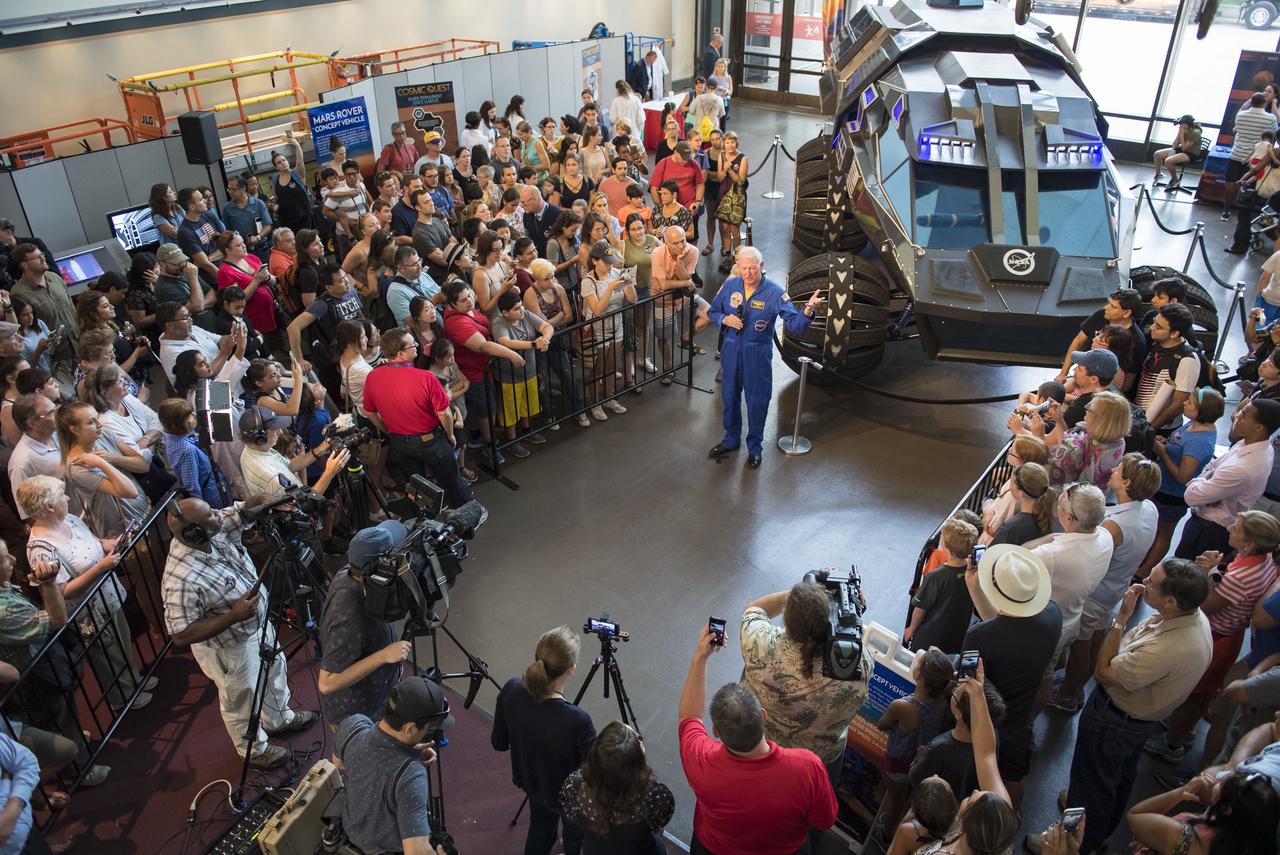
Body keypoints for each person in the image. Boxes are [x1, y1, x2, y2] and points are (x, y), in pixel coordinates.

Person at [1033, 560, 1212, 855]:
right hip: (1137, 720)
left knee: (1092, 780)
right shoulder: (1190, 617)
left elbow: (1104, 672)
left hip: (1116, 720)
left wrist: (1121, 619)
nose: (1142, 583)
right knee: (1116, 777)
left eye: (1151, 582)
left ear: (1170, 602)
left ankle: (1076, 842)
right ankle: (1095, 818)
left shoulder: (1165, 650)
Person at [163, 495, 318, 767]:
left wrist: (274, 500)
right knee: (242, 698)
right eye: (209, 515)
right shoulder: (180, 578)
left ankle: (280, 719)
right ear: (194, 531)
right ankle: (253, 750)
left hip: (256, 627)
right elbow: (180, 635)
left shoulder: (212, 528)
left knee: (275, 669)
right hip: (228, 647)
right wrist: (232, 616)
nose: (217, 514)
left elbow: (245, 510)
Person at [678, 622, 838, 855]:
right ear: (762, 717)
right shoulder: (807, 767)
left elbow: (689, 716)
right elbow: (824, 820)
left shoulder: (701, 759)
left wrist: (700, 657)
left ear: (716, 731)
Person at [1146, 510, 1280, 765]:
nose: (1229, 528)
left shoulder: (1241, 577)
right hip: (1230, 635)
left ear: (1249, 543)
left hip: (1216, 635)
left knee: (1193, 695)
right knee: (1203, 693)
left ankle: (1172, 743)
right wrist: (1216, 570)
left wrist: (1206, 574)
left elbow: (1205, 604)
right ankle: (1184, 730)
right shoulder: (1263, 561)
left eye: (1237, 528)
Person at [19, 474, 153, 714]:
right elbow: (62, 592)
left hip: (107, 595)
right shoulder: (40, 549)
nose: (67, 497)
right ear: (49, 506)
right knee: (108, 656)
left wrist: (108, 543)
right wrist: (100, 568)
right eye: (62, 495)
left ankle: (134, 678)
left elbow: (91, 540)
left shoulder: (68, 519)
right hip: (88, 612)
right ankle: (123, 697)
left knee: (122, 640)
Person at [1052, 454, 1162, 714]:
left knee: (1081, 643)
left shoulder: (1114, 526)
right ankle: (1076, 683)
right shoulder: (1149, 509)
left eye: (1119, 470)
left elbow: (1087, 554)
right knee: (1095, 634)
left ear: (1126, 482)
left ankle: (1068, 693)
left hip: (1096, 591)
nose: (1112, 470)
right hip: (1116, 585)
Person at [739, 579, 873, 784]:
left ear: (788, 618)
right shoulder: (857, 663)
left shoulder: (759, 644)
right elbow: (854, 640)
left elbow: (754, 608)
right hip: (816, 762)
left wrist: (798, 597)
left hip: (761, 746)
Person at [964, 543, 1063, 808]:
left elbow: (969, 678)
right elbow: (1009, 630)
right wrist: (976, 591)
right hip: (1022, 716)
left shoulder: (979, 636)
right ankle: (1013, 818)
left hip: (990, 716)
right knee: (1013, 777)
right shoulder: (1053, 613)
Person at [708, 247, 822, 468]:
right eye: (744, 268)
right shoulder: (731, 285)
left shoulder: (775, 292)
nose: (748, 273)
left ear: (761, 266)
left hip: (757, 357)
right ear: (737, 266)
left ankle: (755, 448)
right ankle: (731, 440)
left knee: (757, 402)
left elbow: (796, 325)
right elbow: (712, 311)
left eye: (752, 268)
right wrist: (724, 319)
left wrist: (808, 309)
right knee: (729, 399)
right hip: (731, 354)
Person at [493, 626, 596, 855]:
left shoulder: (512, 689)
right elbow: (596, 772)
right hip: (571, 797)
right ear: (571, 669)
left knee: (540, 830)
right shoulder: (577, 720)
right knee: (575, 837)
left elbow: (499, 743)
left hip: (533, 783)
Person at [334, 674, 452, 855]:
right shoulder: (411, 776)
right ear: (410, 728)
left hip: (350, 829)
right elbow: (416, 852)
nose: (431, 733)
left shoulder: (352, 726)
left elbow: (340, 764)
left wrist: (410, 750)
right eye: (429, 729)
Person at [361, 328, 472, 509]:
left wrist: (387, 429)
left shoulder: (373, 377)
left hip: (399, 442)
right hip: (430, 440)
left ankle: (427, 523)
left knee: (417, 488)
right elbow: (444, 413)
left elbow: (370, 412)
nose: (416, 346)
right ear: (401, 353)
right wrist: (450, 434)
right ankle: (467, 516)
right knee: (452, 479)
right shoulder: (426, 377)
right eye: (412, 344)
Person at [318, 521, 412, 728]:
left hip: (376, 692)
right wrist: (384, 655)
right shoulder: (349, 614)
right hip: (357, 712)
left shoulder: (351, 570)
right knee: (354, 758)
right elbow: (327, 682)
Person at [1176, 399, 1280, 559]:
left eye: (1243, 415)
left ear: (1259, 427)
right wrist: (1210, 476)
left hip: (1210, 531)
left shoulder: (1244, 467)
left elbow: (1191, 496)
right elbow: (1212, 464)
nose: (1236, 416)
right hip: (1210, 522)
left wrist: (1202, 479)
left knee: (1181, 577)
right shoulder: (1250, 444)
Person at [1141, 388, 1224, 578]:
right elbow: (1178, 445)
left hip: (1173, 494)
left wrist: (1163, 453)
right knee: (1154, 527)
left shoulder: (1200, 441)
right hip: (1162, 487)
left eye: (1191, 402)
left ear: (1202, 410)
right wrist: (1167, 444)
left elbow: (1183, 476)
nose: (1185, 403)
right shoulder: (1192, 425)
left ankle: (1145, 571)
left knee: (1163, 531)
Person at [559, 720, 675, 855]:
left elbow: (570, 814)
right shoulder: (655, 796)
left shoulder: (574, 785)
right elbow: (658, 825)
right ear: (638, 765)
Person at [1033, 483, 1114, 667]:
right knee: (1057, 657)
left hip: (1049, 625)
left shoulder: (1052, 555)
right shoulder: (1105, 535)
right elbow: (1059, 539)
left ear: (1069, 519)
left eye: (1059, 506)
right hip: (1074, 615)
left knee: (1044, 672)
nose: (1057, 508)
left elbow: (1022, 559)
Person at [876, 648, 954, 837]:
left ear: (917, 675)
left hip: (898, 761)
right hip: (921, 760)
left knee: (896, 800)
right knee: (909, 792)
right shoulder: (943, 701)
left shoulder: (901, 706)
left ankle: (886, 834)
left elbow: (881, 725)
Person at [1128, 769, 1279, 855]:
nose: (1218, 779)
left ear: (1226, 809)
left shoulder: (1184, 838)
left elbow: (1135, 815)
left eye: (1222, 784)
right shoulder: (1248, 845)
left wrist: (1180, 793)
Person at [57, 399, 149, 538]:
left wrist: (113, 458)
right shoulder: (76, 466)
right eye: (91, 422)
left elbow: (143, 465)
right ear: (74, 429)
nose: (100, 424)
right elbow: (130, 492)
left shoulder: (104, 434)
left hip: (144, 509)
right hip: (125, 529)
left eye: (97, 418)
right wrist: (103, 464)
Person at [287, 264, 365, 403]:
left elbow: (360, 317)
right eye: (341, 280)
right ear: (329, 287)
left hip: (361, 350)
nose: (347, 281)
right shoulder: (322, 305)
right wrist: (299, 359)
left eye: (346, 277)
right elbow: (293, 328)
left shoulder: (351, 291)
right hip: (339, 362)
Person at [238, 406, 347, 501]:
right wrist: (329, 473)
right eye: (274, 428)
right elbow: (306, 503)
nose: (280, 432)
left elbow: (289, 465)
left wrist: (320, 449)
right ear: (260, 437)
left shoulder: (255, 449)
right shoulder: (270, 477)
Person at [904, 516, 980, 652]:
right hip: (957, 636)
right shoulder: (974, 572)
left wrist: (911, 629)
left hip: (930, 638)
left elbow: (920, 609)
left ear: (948, 550)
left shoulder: (936, 577)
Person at [491, 290, 551, 457]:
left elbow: (546, 326)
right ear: (505, 312)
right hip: (509, 377)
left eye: (521, 306)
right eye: (517, 308)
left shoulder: (526, 315)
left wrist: (545, 339)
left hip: (529, 372)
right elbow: (505, 342)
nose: (522, 310)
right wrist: (534, 344)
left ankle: (527, 431)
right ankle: (512, 440)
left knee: (527, 405)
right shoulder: (499, 323)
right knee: (511, 411)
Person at [1055, 289, 1146, 396]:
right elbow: (1078, 342)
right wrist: (1063, 374)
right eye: (1109, 303)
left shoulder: (1138, 342)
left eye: (1113, 306)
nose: (1107, 308)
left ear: (1127, 313)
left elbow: (1127, 383)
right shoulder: (1101, 315)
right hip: (1077, 378)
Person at [1136, 304, 1203, 433]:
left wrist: (1150, 430)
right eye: (1155, 322)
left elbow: (1177, 405)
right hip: (1141, 417)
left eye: (1159, 327)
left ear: (1174, 333)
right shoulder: (1158, 343)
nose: (1152, 328)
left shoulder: (1187, 360)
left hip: (1161, 428)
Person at [7, 244, 77, 361]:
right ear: (24, 264)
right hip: (56, 356)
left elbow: (71, 307)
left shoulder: (55, 278)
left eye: (42, 254)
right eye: (36, 257)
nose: (43, 258)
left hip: (80, 344)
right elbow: (24, 330)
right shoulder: (19, 293)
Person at [1223, 92, 1279, 222]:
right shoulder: (1270, 118)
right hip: (1257, 158)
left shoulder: (1240, 115)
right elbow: (1274, 133)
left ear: (1251, 102)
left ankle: (1226, 211)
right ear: (1264, 103)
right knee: (1251, 186)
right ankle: (1245, 216)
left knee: (1230, 182)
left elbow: (1237, 129)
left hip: (1237, 154)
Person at [7, 394, 65, 520]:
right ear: (32, 423)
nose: (57, 414)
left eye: (56, 408)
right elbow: (28, 513)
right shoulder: (21, 463)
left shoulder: (56, 434)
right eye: (51, 412)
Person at [158, 398, 224, 508]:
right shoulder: (186, 450)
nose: (194, 415)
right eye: (188, 416)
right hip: (210, 495)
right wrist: (203, 511)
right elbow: (192, 486)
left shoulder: (174, 436)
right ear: (177, 424)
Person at [989, 462, 1055, 546]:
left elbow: (990, 556)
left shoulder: (1010, 529)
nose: (1010, 486)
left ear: (1021, 493)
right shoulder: (1048, 518)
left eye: (1011, 483)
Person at [221, 176, 273, 260]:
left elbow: (267, 225)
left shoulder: (258, 204)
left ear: (243, 189)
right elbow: (226, 231)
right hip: (241, 253)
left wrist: (258, 237)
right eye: (229, 189)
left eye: (233, 189)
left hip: (261, 250)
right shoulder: (227, 208)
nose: (230, 192)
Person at [1153, 114, 1206, 190]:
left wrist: (1181, 134)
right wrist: (1173, 148)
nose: (1180, 126)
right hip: (1181, 151)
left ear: (1188, 124)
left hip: (1191, 154)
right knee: (1157, 154)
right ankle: (1158, 174)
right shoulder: (1183, 129)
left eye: (1182, 124)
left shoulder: (1196, 132)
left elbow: (1185, 148)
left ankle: (1175, 180)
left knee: (1168, 161)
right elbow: (1175, 144)